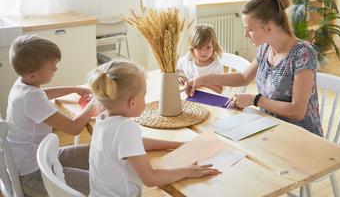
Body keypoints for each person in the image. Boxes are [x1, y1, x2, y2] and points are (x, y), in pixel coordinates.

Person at [186, 0, 323, 136]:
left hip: (301, 136)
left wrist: (255, 100)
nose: (245, 35)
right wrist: (203, 79)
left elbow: (297, 112)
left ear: (268, 28)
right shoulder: (266, 49)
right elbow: (244, 78)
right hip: (270, 127)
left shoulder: (303, 53)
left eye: (249, 30)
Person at [88, 59, 220, 197]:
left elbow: (133, 143)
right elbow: (150, 178)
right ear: (132, 102)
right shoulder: (126, 128)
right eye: (144, 96)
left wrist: (178, 144)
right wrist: (189, 171)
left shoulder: (103, 118)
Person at [6, 35, 96, 196]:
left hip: (41, 158)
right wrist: (95, 102)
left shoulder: (23, 84)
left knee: (99, 152)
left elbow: (42, 93)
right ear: (32, 75)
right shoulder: (29, 98)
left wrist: (75, 88)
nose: (56, 69)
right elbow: (75, 128)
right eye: (51, 67)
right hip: (33, 176)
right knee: (101, 183)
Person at [177, 24, 224, 93]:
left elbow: (219, 90)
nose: (203, 52)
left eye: (208, 47)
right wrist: (179, 78)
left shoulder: (216, 66)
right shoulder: (187, 59)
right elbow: (177, 72)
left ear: (213, 46)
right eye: (199, 47)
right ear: (192, 48)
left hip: (207, 99)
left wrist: (203, 82)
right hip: (188, 96)